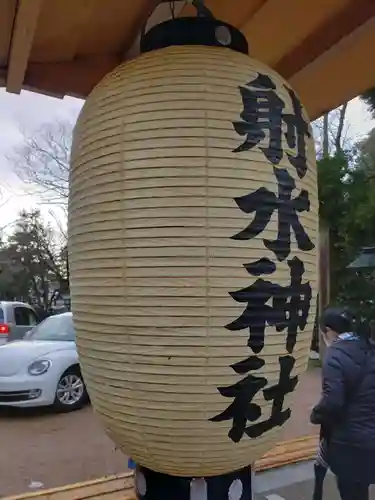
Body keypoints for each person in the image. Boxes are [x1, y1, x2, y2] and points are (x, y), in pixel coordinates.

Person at [310, 307, 375, 500]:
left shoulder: (335, 355)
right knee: (360, 488)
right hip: (371, 437)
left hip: (350, 441)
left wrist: (315, 414)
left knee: (350, 491)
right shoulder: (369, 347)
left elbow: (333, 401)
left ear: (328, 331)